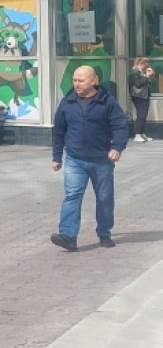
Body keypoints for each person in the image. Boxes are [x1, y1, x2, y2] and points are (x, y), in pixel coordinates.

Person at [50, 65, 128, 251]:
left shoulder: (107, 102)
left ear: (93, 81)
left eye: (81, 80)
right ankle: (68, 236)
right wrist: (56, 156)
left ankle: (104, 233)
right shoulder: (67, 102)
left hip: (102, 160)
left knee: (104, 198)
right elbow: (59, 130)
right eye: (75, 80)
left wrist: (117, 147)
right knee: (72, 196)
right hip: (75, 160)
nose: (76, 84)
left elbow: (120, 126)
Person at [128, 57, 155, 143]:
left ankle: (142, 133)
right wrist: (147, 76)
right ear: (141, 64)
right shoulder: (135, 72)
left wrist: (148, 77)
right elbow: (138, 84)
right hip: (138, 96)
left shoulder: (141, 72)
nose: (146, 67)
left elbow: (146, 83)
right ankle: (137, 134)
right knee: (141, 115)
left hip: (144, 95)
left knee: (144, 115)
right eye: (146, 65)